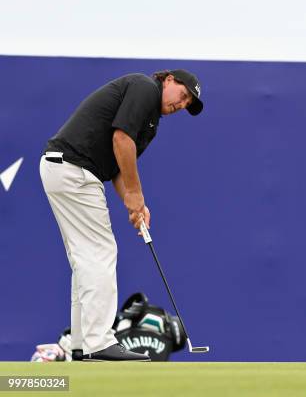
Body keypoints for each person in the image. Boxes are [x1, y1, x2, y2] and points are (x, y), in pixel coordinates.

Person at [39, 69, 204, 361]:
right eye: (183, 94)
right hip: (74, 169)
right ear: (168, 80)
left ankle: (80, 344)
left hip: (64, 169)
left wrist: (134, 204)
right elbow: (121, 139)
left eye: (188, 103)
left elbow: (118, 168)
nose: (182, 103)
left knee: (85, 258)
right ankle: (98, 343)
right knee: (100, 252)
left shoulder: (151, 123)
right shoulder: (145, 88)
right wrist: (136, 195)